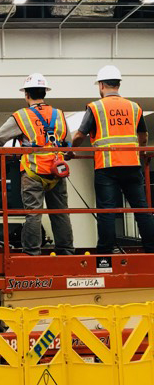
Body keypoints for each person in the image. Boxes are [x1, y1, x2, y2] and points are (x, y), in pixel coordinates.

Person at [0, 73, 74, 256]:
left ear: (26, 94)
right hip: (57, 172)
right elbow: (68, 146)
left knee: (34, 214)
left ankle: (32, 253)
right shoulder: (58, 114)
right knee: (61, 212)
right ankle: (66, 251)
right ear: (45, 92)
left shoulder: (22, 116)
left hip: (33, 172)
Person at [72, 65, 154, 254]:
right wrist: (140, 152)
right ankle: (151, 249)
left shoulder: (96, 107)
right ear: (118, 84)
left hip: (107, 167)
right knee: (141, 209)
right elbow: (143, 135)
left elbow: (79, 135)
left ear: (101, 85)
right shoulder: (134, 107)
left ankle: (106, 252)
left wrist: (70, 150)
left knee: (107, 210)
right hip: (133, 165)